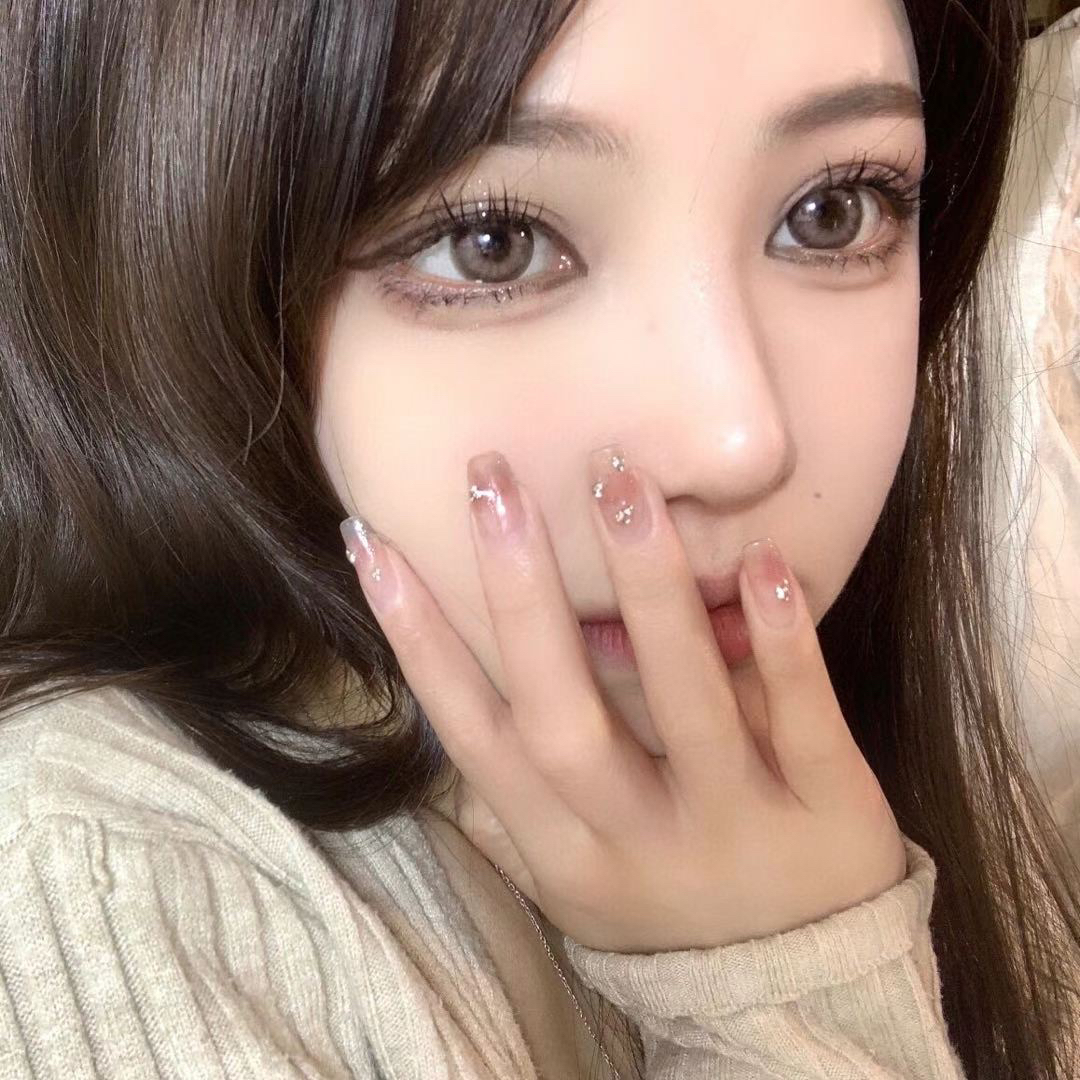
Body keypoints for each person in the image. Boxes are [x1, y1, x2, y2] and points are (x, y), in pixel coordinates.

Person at [0, 0, 1077, 1077]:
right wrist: (787, 996)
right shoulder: (96, 886)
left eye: (832, 213)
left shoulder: (888, 776)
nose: (739, 442)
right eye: (495, 243)